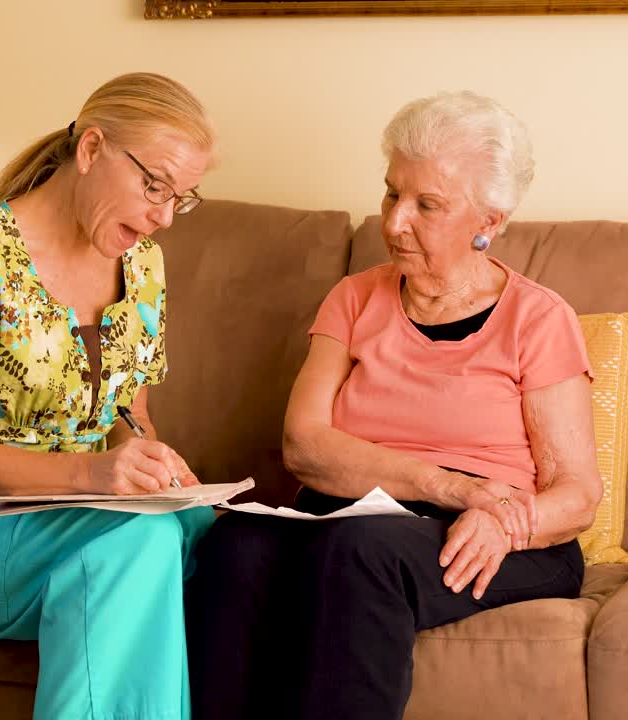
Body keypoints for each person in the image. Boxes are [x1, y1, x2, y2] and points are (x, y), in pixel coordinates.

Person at [185, 91, 602, 720]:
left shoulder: (538, 319)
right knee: (235, 544)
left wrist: (494, 518)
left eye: (427, 205)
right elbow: (305, 444)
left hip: (495, 536)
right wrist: (452, 485)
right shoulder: (353, 299)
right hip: (353, 516)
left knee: (359, 551)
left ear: (488, 220)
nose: (395, 221)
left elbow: (577, 494)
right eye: (391, 193)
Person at [0, 72, 216, 720]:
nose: (165, 216)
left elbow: (126, 412)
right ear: (91, 150)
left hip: (71, 509)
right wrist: (99, 473)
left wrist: (149, 463)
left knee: (198, 528)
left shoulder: (142, 265)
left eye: (182, 198)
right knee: (137, 546)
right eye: (155, 185)